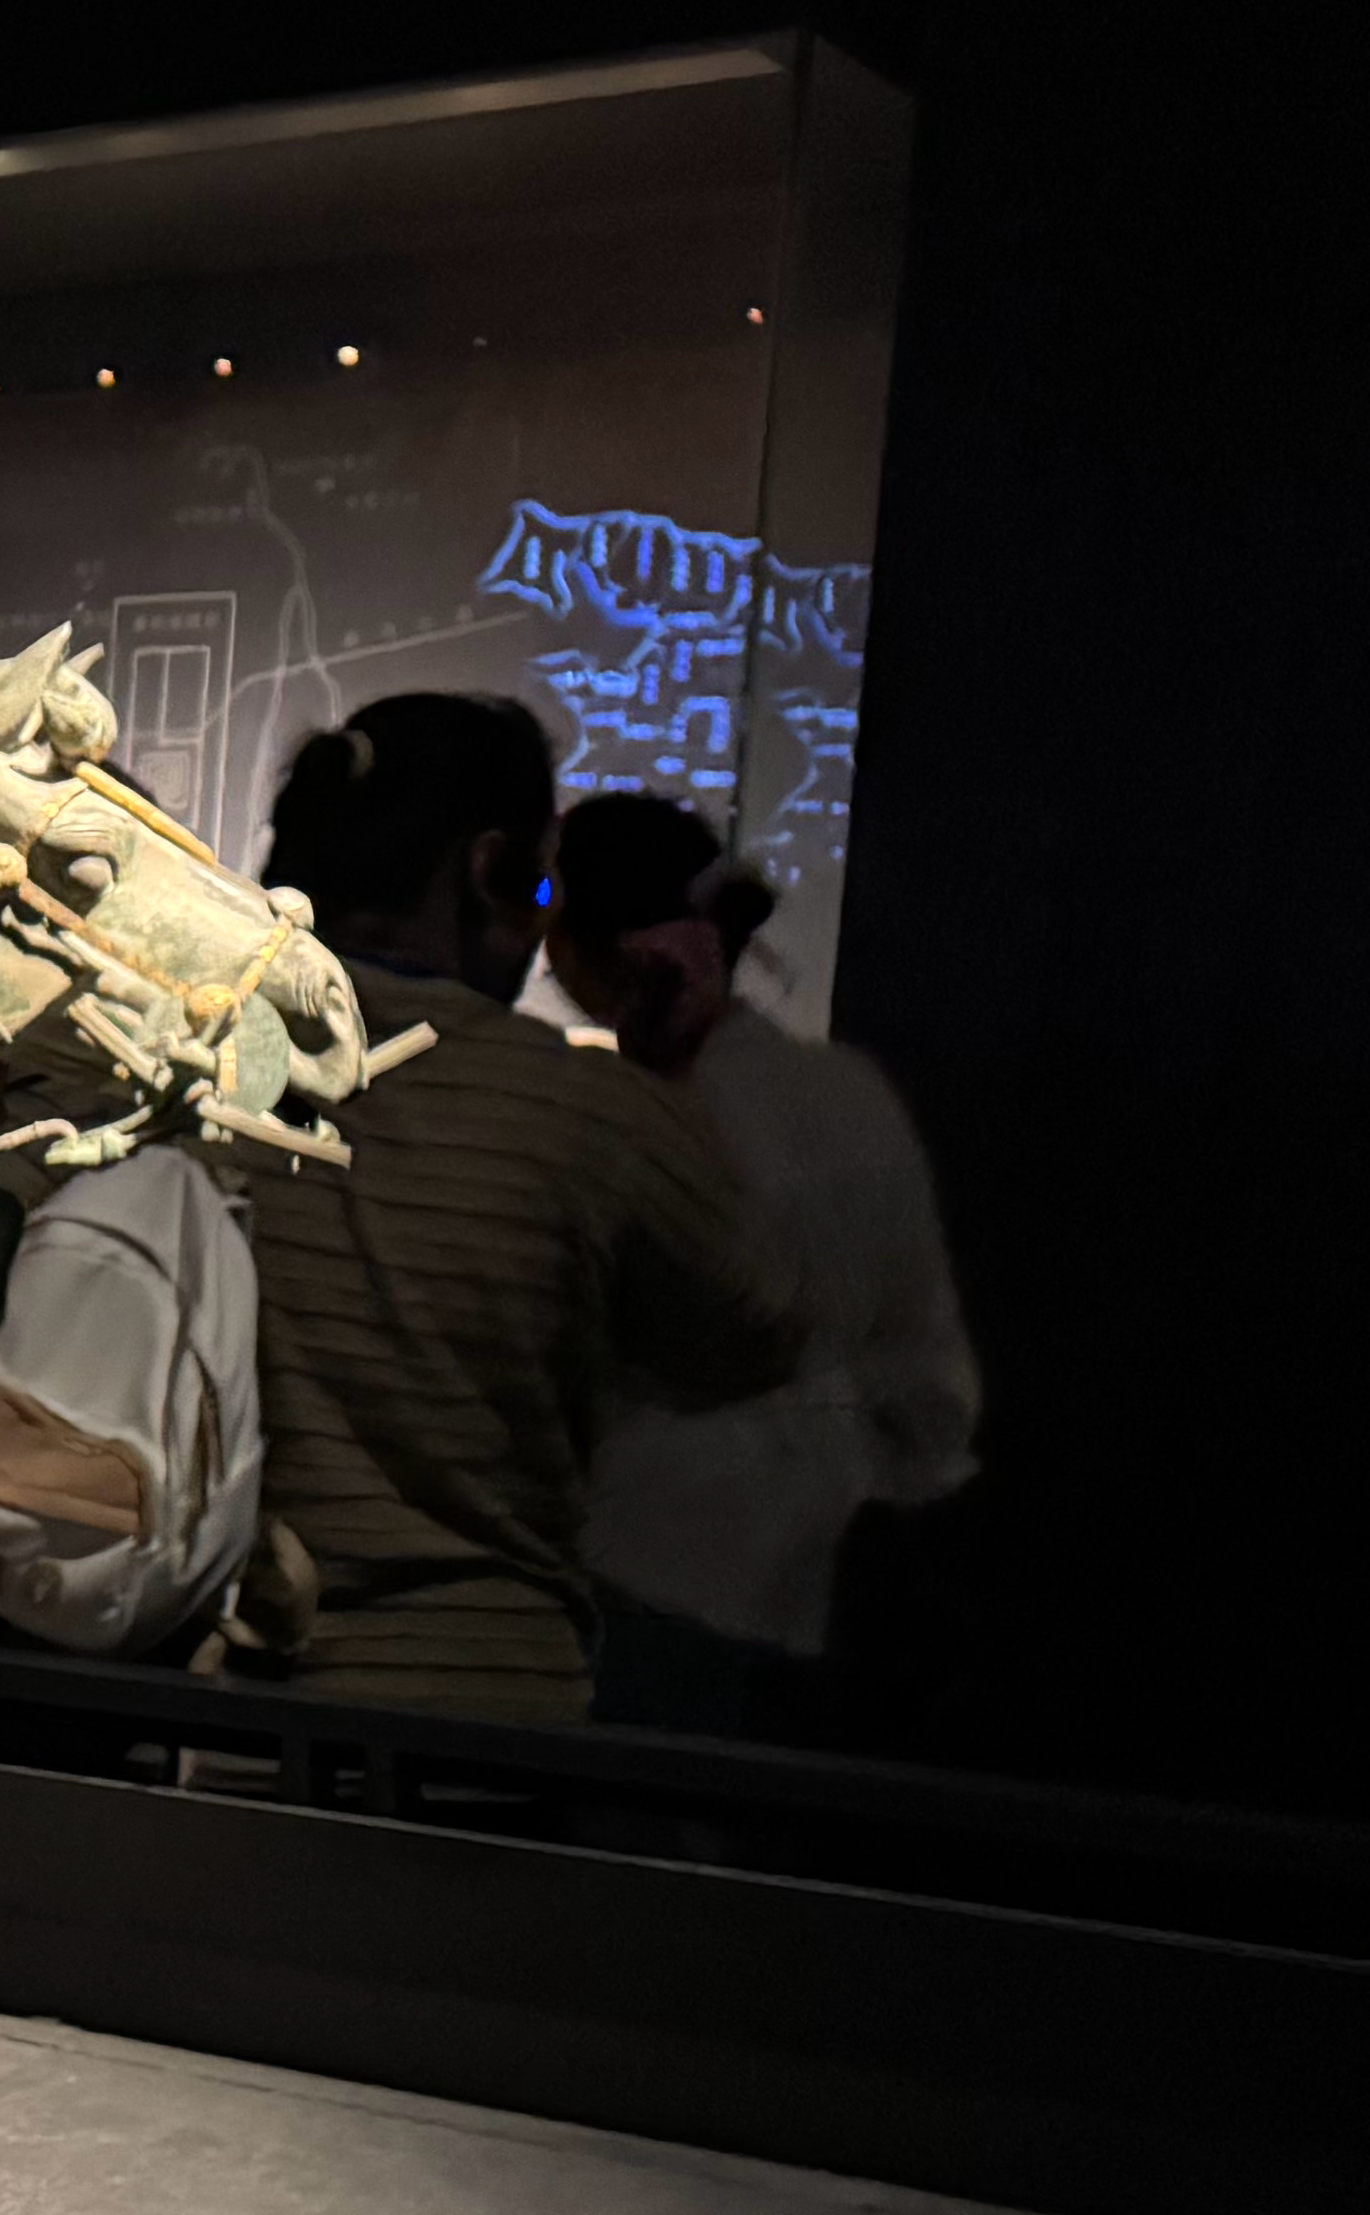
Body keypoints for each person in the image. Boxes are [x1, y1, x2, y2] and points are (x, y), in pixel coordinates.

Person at [232, 693, 800, 1718]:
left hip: (192, 1714)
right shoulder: (584, 1112)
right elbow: (756, 1335)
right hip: (476, 1719)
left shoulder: (160, 1065)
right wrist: (676, 1071)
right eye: (540, 882)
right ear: (487, 869)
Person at [543, 793, 977, 1729]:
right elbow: (932, 1387)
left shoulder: (625, 1121)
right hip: (824, 1593)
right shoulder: (851, 1092)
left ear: (584, 949)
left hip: (639, 1574)